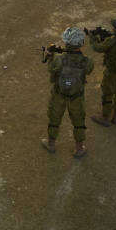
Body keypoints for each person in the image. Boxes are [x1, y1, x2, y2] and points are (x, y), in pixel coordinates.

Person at [41, 27, 95, 158]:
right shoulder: (87, 61)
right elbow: (88, 71)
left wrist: (49, 57)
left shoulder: (59, 59)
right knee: (78, 121)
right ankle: (79, 148)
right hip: (76, 96)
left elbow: (51, 70)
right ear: (81, 43)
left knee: (54, 118)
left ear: (66, 42)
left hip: (59, 94)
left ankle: (51, 143)